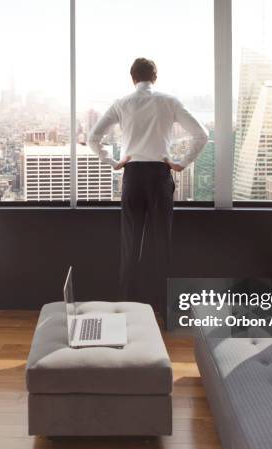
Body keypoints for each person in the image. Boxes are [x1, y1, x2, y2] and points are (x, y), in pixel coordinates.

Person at [88, 57, 208, 315]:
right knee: (161, 243)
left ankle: (126, 309)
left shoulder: (121, 103)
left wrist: (113, 162)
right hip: (159, 175)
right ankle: (164, 309)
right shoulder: (169, 101)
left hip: (132, 175)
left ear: (133, 78)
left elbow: (92, 137)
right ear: (155, 77)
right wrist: (181, 163)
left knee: (130, 244)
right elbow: (202, 135)